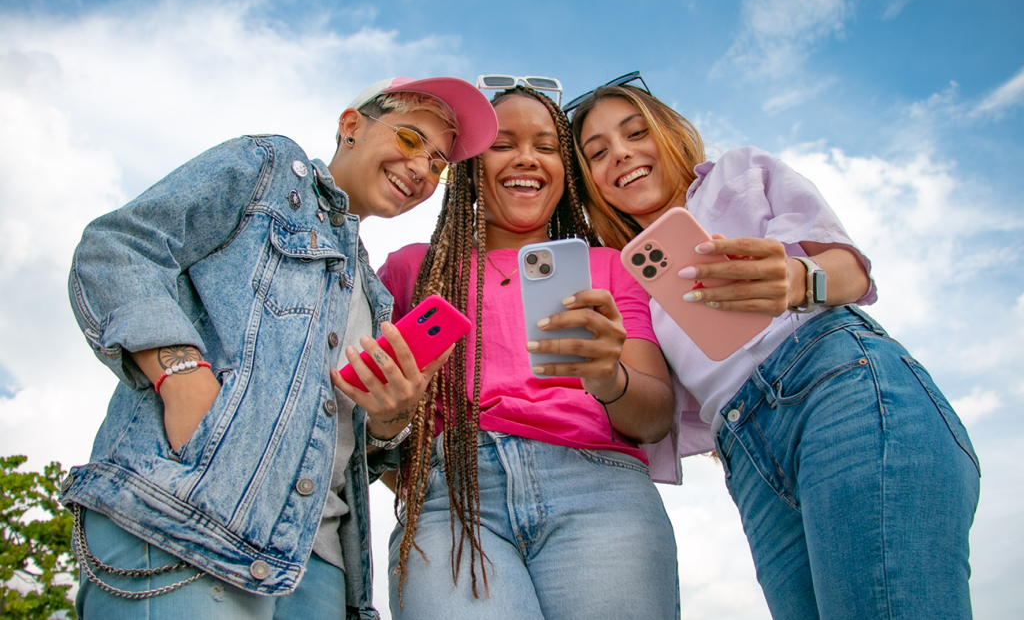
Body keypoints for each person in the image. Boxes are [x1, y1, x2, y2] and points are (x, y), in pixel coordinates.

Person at [60, 76, 498, 620]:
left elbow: (337, 450)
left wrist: (390, 420)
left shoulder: (376, 296)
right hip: (191, 519)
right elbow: (118, 248)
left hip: (322, 568)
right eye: (411, 140)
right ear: (351, 125)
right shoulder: (270, 169)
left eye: (438, 164)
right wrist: (180, 371)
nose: (422, 169)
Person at [567, 74, 981, 620]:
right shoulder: (623, 276)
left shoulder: (738, 174)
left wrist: (797, 278)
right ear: (590, 182)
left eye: (636, 132)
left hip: (835, 386)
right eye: (597, 154)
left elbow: (851, 271)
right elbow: (656, 405)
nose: (620, 155)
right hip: (749, 458)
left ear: (668, 134)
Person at [352, 83, 679, 619]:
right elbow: (376, 418)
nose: (526, 157)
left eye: (546, 146)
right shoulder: (414, 269)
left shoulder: (611, 268)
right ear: (471, 169)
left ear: (565, 170)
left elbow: (655, 417)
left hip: (598, 492)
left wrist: (608, 380)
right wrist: (425, 471)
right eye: (503, 144)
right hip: (451, 501)